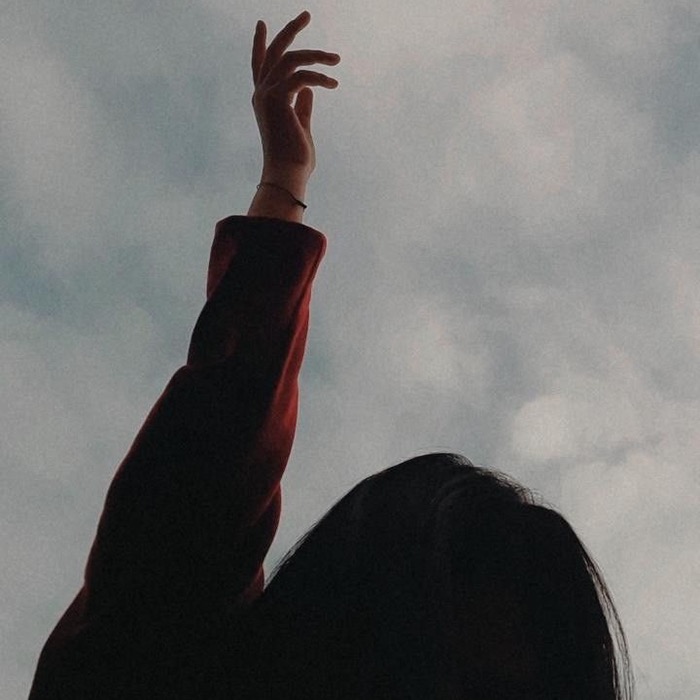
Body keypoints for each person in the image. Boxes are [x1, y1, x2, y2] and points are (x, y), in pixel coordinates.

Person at [28, 10, 633, 700]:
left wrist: (284, 183)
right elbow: (198, 484)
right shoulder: (166, 663)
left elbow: (199, 482)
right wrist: (282, 184)